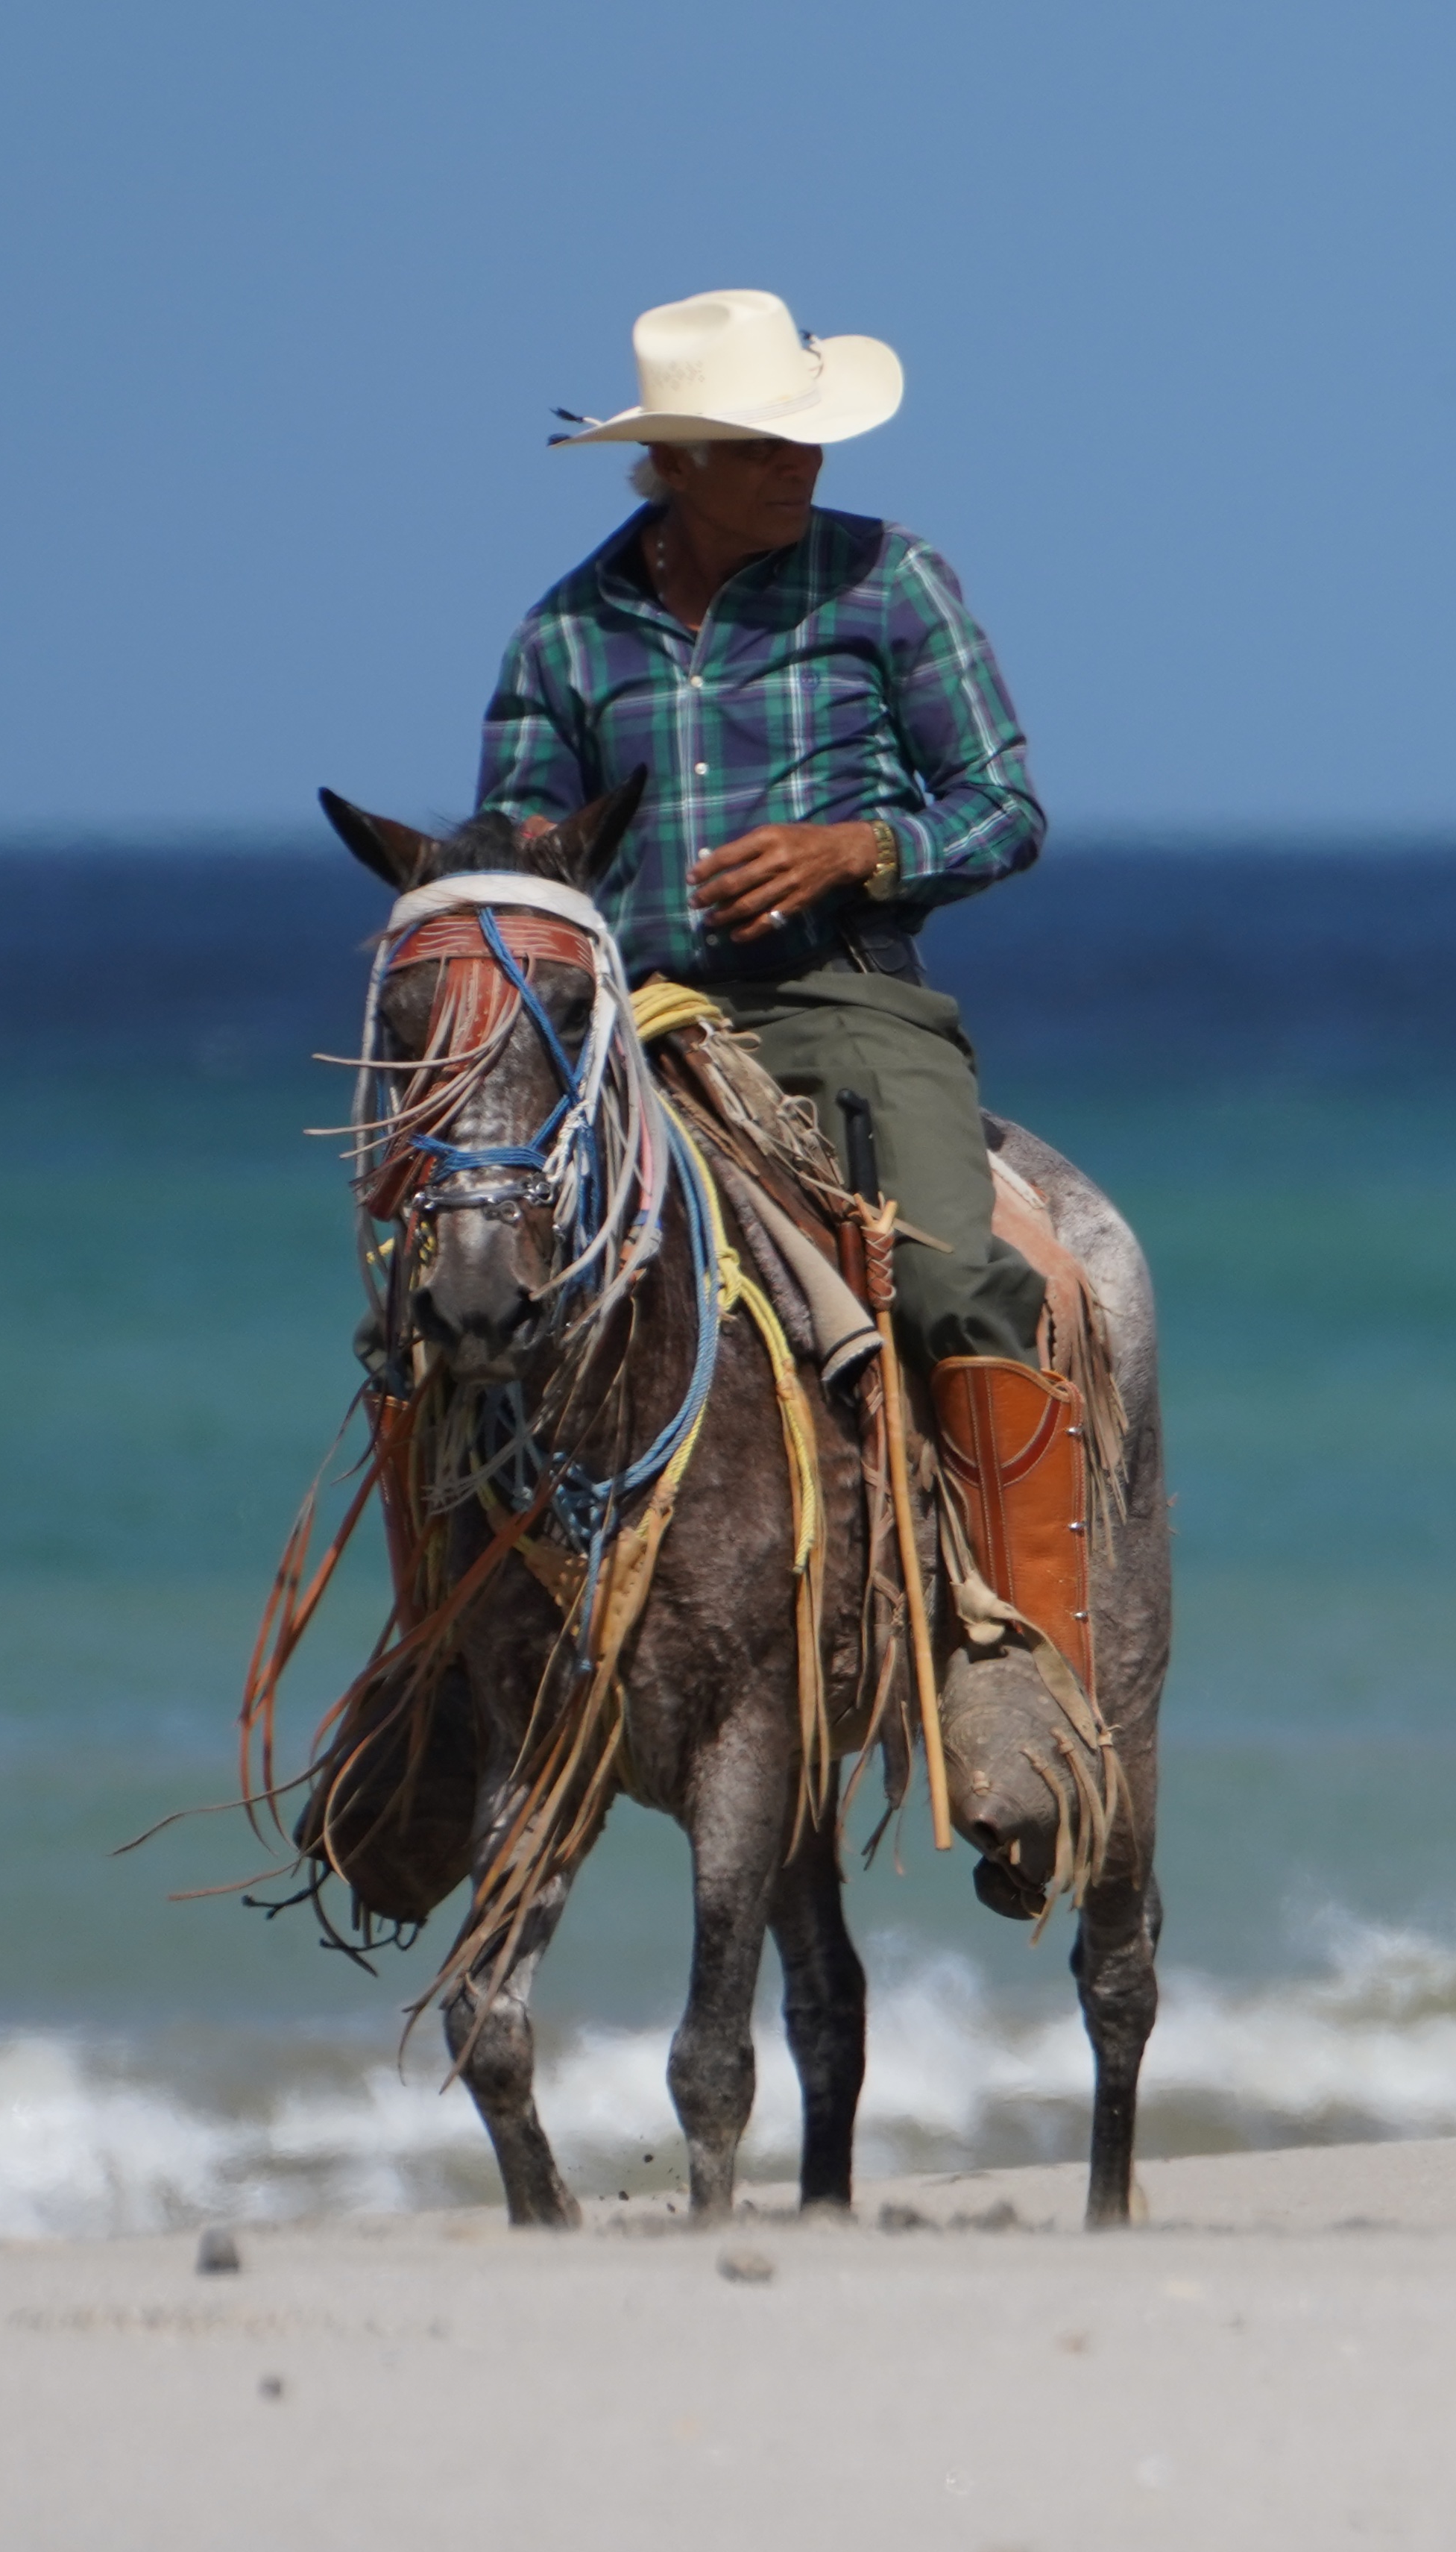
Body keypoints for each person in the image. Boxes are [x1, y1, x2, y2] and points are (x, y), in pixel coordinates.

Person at [478, 286, 1090, 1687]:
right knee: (458, 1300)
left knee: (950, 1282)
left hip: (848, 1007)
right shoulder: (562, 642)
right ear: (675, 464)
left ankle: (1026, 1664)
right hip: (629, 1034)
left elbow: (1004, 809)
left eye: (803, 438)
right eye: (762, 445)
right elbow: (524, 862)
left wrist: (860, 850)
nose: (802, 463)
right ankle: (447, 1689)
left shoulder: (891, 582)